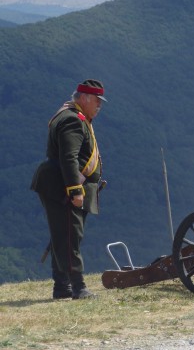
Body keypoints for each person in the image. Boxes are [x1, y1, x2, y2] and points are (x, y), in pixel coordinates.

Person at [31, 79, 108, 300]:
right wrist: (75, 190)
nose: (99, 106)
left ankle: (62, 286)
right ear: (83, 98)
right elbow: (68, 157)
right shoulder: (72, 120)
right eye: (96, 101)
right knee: (69, 237)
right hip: (62, 188)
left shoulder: (77, 117)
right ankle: (78, 287)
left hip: (63, 186)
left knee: (63, 236)